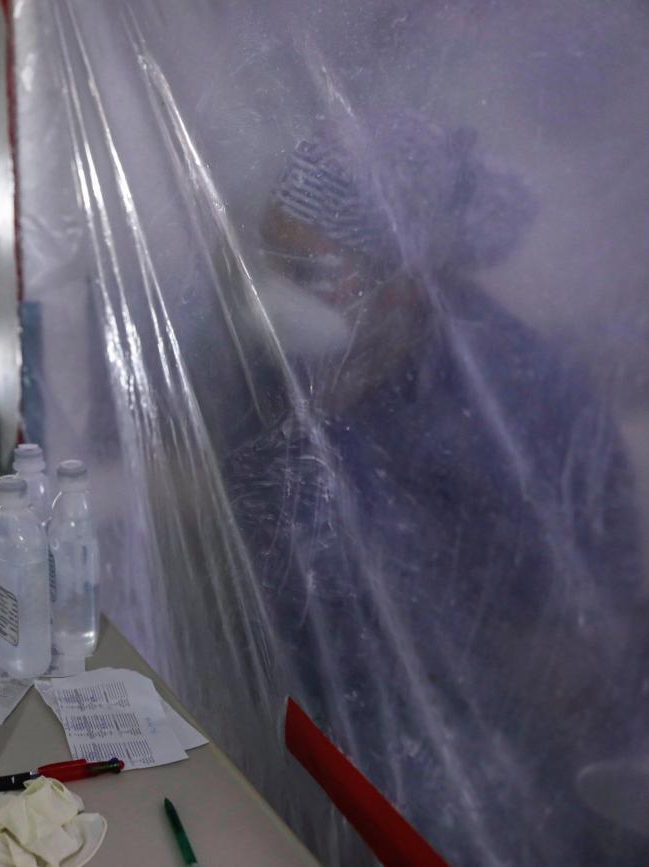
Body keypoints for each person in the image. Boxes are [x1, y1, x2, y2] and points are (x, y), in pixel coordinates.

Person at [227, 114, 645, 862]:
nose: (276, 295)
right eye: (271, 262)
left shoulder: (503, 403)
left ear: (403, 278)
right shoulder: (337, 363)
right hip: (351, 741)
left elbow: (563, 649)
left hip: (502, 775)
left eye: (307, 271)